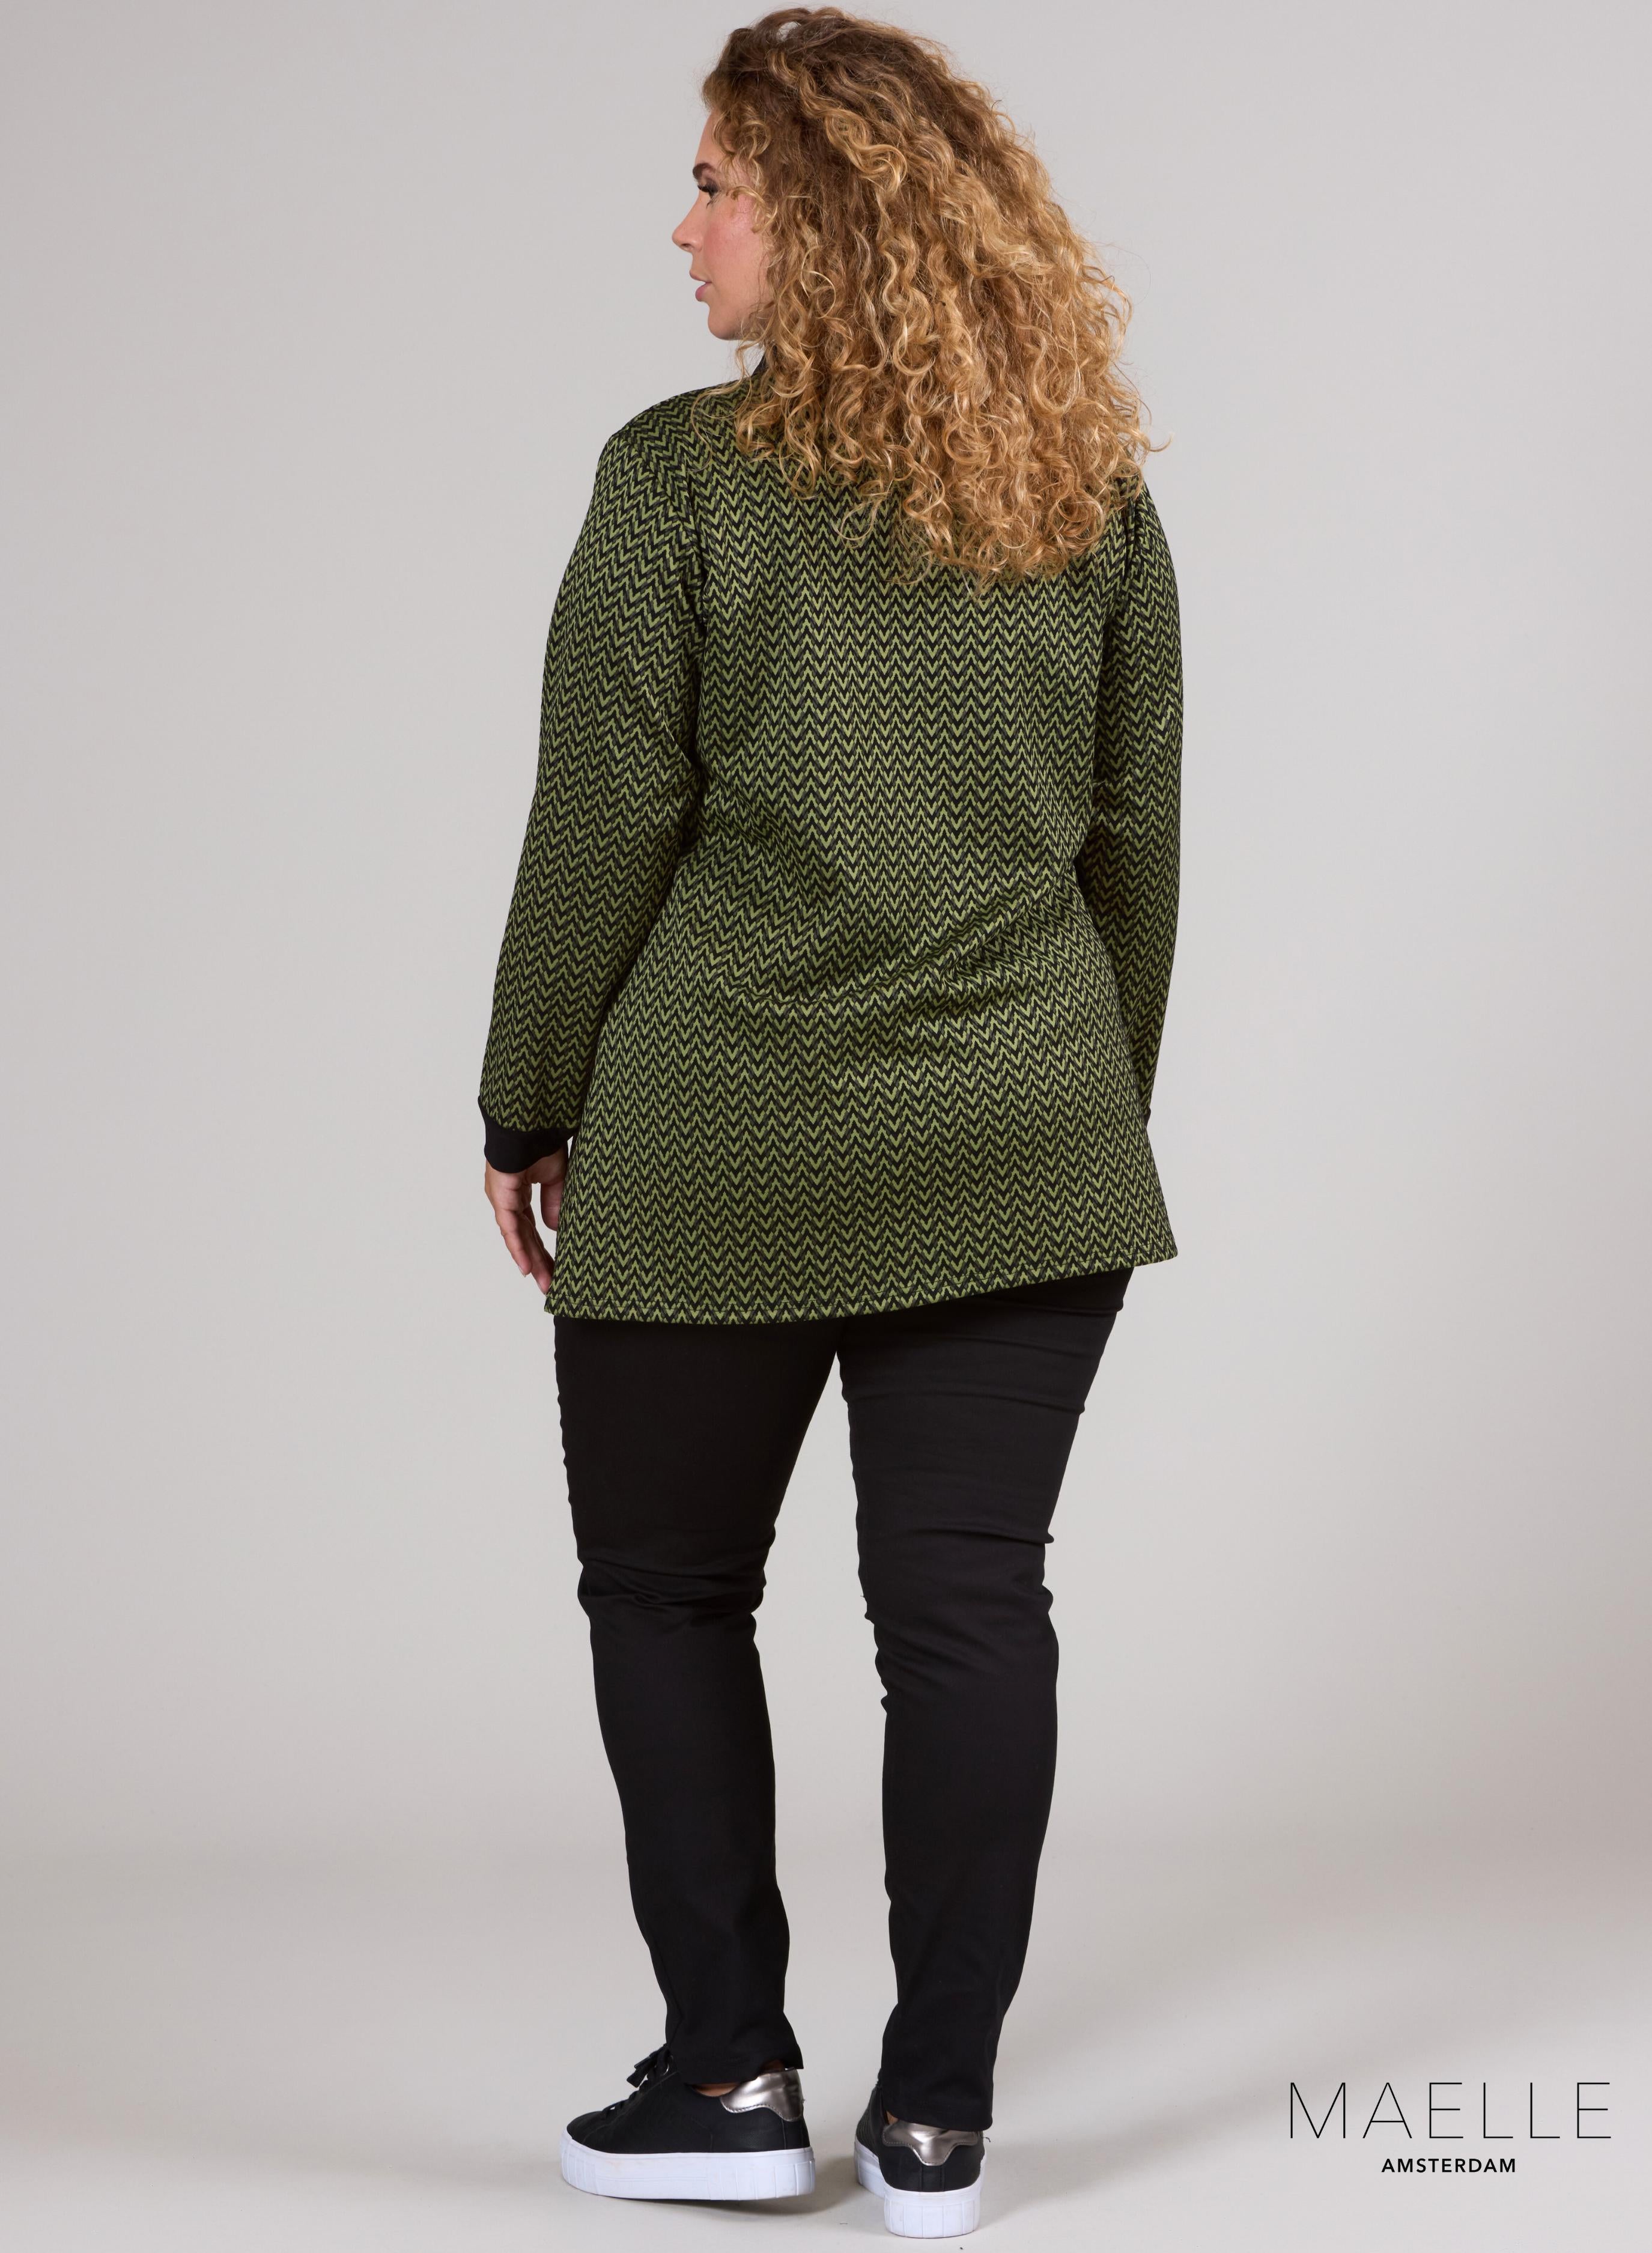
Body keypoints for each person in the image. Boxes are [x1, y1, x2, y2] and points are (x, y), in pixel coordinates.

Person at [477, 8, 1180, 2235]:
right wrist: (1068, 1114)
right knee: (968, 1610)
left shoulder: (679, 479)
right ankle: (940, 2124)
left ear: (832, 220)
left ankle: (729, 2079)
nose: (682, 226)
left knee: (668, 1591)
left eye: (717, 184)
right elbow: (1135, 856)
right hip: (1028, 1133)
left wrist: (526, 1096)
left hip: (720, 1137)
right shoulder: (1084, 497)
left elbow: (602, 827)